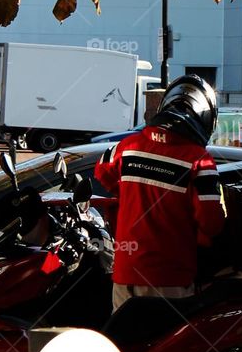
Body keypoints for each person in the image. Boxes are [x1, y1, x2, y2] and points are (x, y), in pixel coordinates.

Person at [92, 74, 225, 310]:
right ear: (206, 117)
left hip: (125, 274)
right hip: (171, 279)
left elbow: (102, 172)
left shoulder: (127, 146)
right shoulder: (200, 161)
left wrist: (129, 195)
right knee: (172, 346)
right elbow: (212, 223)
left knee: (124, 345)